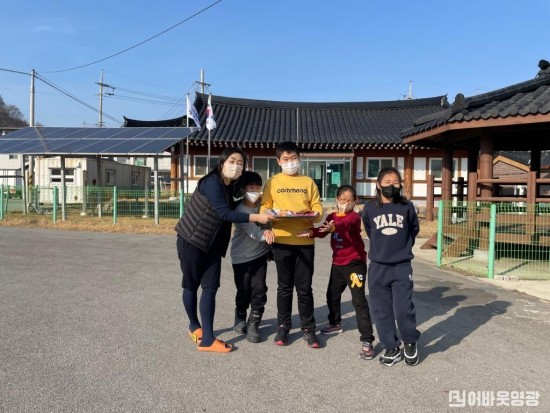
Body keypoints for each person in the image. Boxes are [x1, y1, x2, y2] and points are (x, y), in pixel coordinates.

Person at [175, 147, 274, 353]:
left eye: (240, 163)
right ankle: (195, 326)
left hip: (213, 245)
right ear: (221, 163)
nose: (235, 166)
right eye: (232, 161)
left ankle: (208, 339)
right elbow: (224, 213)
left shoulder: (231, 186)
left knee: (210, 287)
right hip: (192, 240)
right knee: (191, 285)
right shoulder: (212, 182)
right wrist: (255, 217)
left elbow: (238, 205)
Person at [297, 185, 375, 359]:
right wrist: (311, 232)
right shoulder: (332, 216)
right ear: (337, 199)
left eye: (349, 200)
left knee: (359, 301)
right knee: (331, 296)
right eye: (342, 199)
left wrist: (332, 228)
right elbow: (323, 230)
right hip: (337, 264)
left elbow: (345, 224)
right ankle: (335, 323)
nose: (345, 203)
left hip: (355, 264)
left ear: (355, 201)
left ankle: (367, 340)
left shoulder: (354, 217)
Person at [259, 141, 324, 348]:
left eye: (293, 158)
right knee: (284, 287)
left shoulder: (308, 182)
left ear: (299, 159)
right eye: (285, 159)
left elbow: (317, 209)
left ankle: (308, 328)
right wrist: (270, 218)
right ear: (278, 161)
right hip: (281, 240)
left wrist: (314, 216)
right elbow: (264, 207)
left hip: (305, 240)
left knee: (304, 288)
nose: (290, 163)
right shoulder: (272, 182)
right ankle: (283, 326)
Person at [361, 166, 421, 366]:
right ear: (378, 185)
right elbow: (371, 231)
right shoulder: (370, 208)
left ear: (401, 185)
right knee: (381, 309)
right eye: (386, 183)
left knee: (404, 309)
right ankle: (391, 346)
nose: (391, 186)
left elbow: (413, 230)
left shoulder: (407, 207)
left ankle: (410, 342)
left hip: (402, 266)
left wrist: (402, 248)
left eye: (395, 182)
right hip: (378, 266)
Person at [230, 171, 275, 343]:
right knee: (243, 291)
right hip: (241, 257)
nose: (255, 191)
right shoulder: (240, 210)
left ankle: (254, 323)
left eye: (258, 187)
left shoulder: (263, 206)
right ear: (243, 189)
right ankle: (240, 316)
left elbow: (272, 220)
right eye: (251, 187)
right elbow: (255, 233)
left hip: (259, 255)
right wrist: (269, 234)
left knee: (259, 289)